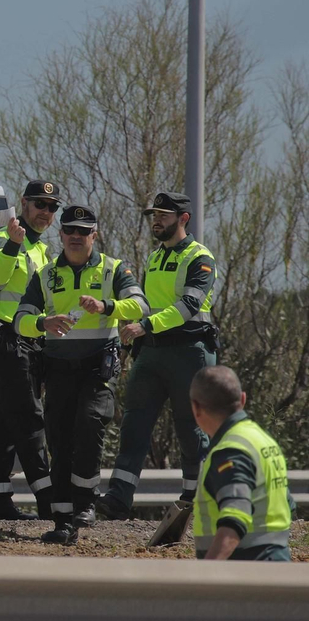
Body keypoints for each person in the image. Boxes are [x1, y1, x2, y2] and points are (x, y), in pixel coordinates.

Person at [16, 205, 149, 544]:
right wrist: (42, 323)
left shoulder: (113, 269)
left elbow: (141, 306)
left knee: (89, 425)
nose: (75, 236)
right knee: (59, 441)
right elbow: (20, 320)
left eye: (83, 231)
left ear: (94, 235)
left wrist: (107, 307)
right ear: (60, 234)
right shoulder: (45, 274)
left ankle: (85, 503)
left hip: (96, 368)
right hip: (58, 369)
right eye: (69, 230)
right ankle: (62, 520)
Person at [188, 365, 293, 621]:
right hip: (277, 578)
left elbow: (233, 521)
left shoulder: (229, 450)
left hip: (239, 581)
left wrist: (203, 580)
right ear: (243, 400)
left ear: (197, 410)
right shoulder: (263, 440)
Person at [96, 192, 219, 519]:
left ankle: (194, 501)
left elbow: (189, 306)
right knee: (133, 427)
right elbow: (146, 304)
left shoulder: (200, 258)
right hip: (150, 353)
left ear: (183, 219)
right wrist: (127, 344)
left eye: (164, 215)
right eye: (154, 214)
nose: (156, 220)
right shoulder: (154, 257)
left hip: (189, 354)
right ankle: (118, 500)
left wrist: (145, 326)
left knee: (190, 431)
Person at [0, 180, 60, 520]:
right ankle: (49, 500)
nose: (45, 212)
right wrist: (12, 245)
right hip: (0, 339)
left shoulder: (42, 251)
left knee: (3, 422)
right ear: (23, 203)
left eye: (52, 207)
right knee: (29, 418)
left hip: (24, 341)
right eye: (39, 204)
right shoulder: (0, 241)